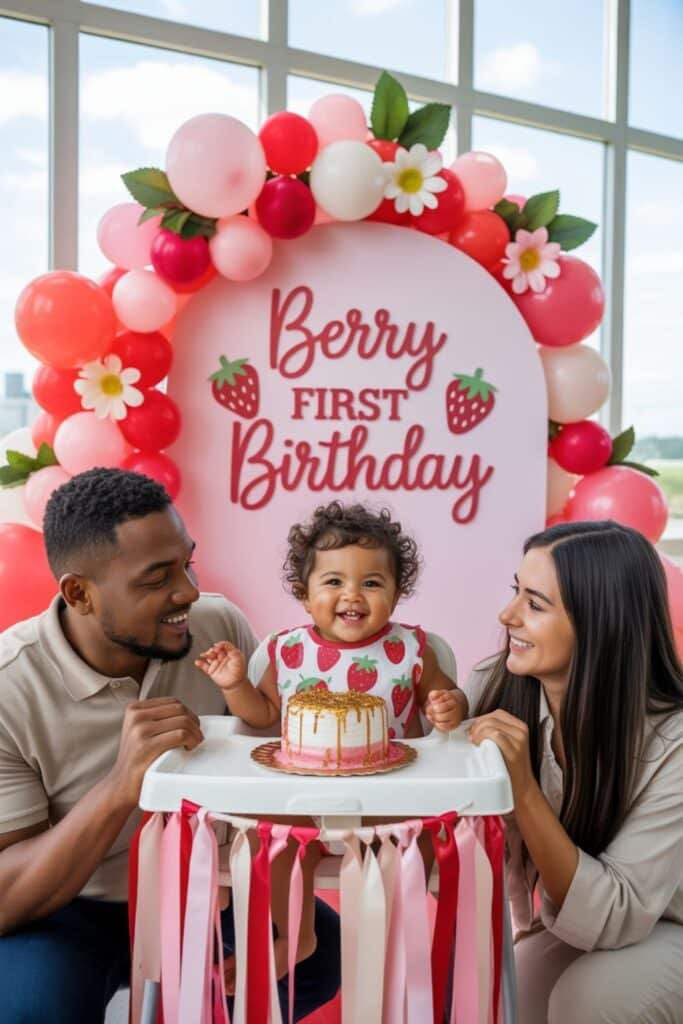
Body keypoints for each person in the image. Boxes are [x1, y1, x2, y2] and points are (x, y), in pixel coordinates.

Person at [0, 468, 340, 1024]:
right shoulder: (9, 686)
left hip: (204, 893)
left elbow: (271, 770)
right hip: (68, 910)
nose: (188, 591)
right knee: (30, 1009)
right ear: (79, 593)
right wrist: (119, 786)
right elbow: (6, 900)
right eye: (158, 578)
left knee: (321, 957)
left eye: (187, 562)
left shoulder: (216, 625)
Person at [197, 500, 468, 985]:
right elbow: (260, 715)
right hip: (302, 791)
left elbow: (446, 700)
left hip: (390, 793)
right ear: (304, 594)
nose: (353, 595)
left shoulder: (412, 649)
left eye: (371, 583)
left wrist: (449, 706)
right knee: (269, 839)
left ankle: (390, 942)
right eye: (334, 582)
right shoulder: (288, 649)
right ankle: (294, 935)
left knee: (415, 841)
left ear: (396, 592)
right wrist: (235, 684)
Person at [465, 520, 683, 1024]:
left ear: (599, 623)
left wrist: (521, 786)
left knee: (591, 1000)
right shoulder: (494, 688)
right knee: (507, 994)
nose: (507, 615)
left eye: (534, 605)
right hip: (595, 921)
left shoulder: (672, 741)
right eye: (516, 591)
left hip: (665, 923)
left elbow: (618, 914)